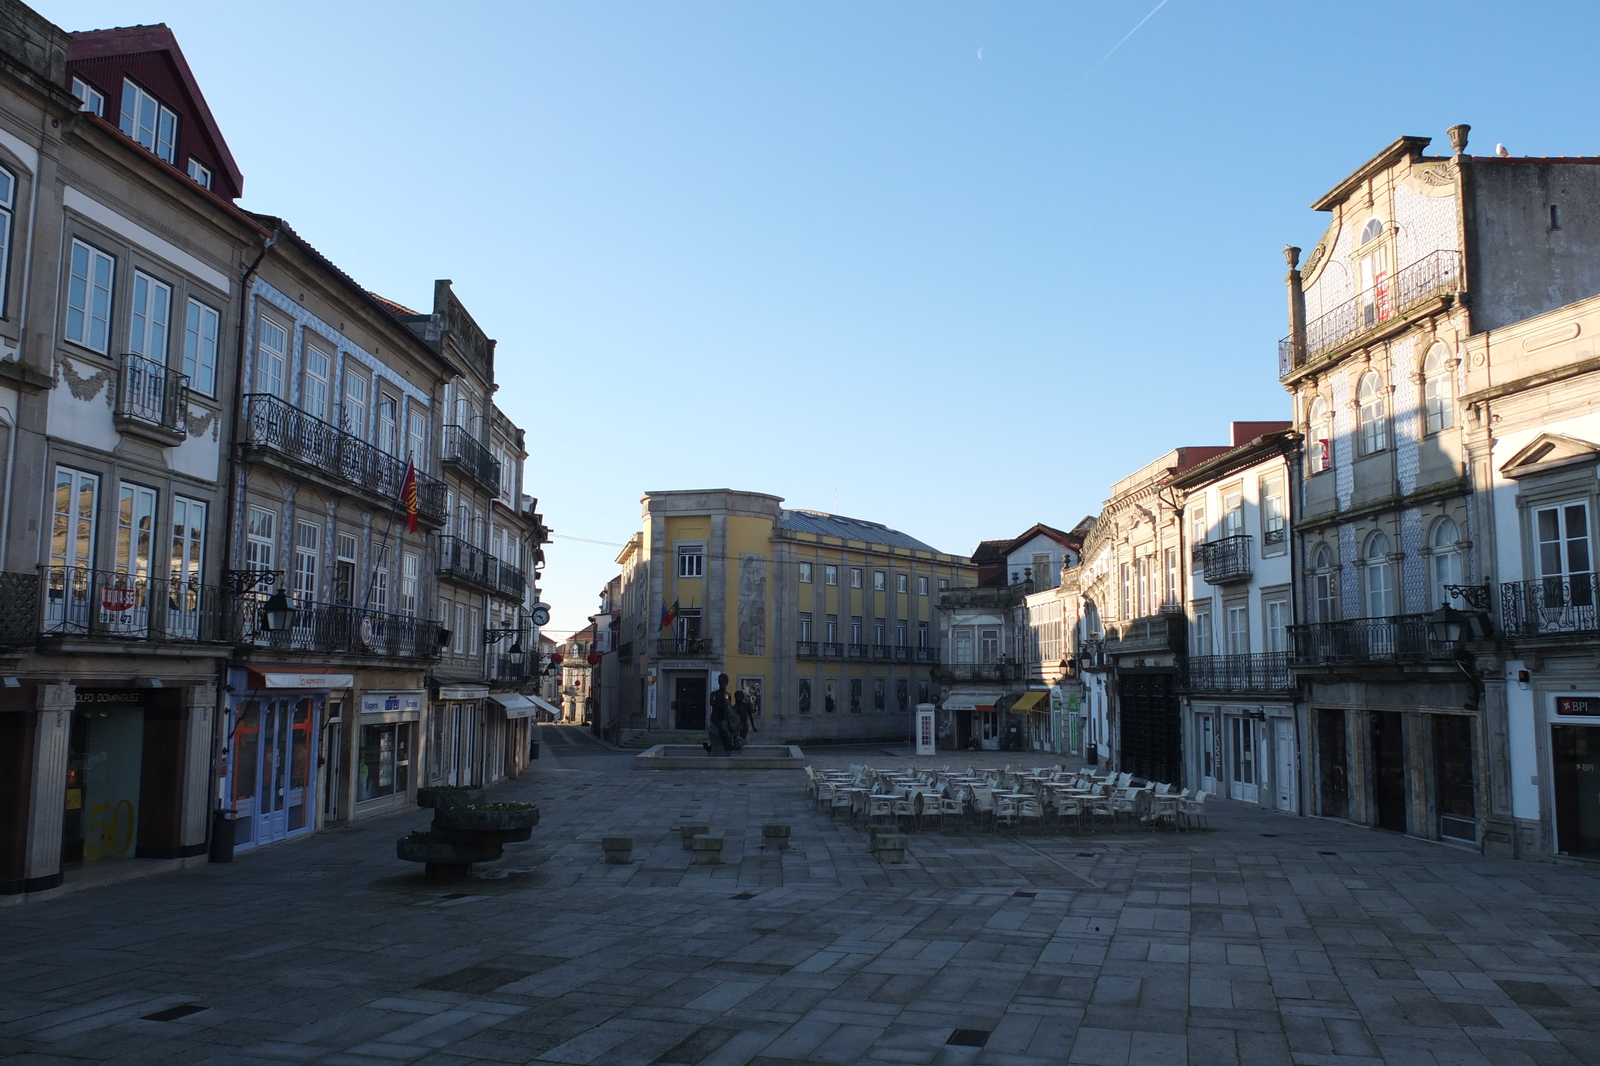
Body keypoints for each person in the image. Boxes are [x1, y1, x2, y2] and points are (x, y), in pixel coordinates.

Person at [708, 674, 737, 756]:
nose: (723, 682)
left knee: (729, 730)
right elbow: (711, 703)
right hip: (715, 717)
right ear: (718, 681)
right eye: (721, 680)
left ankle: (729, 745)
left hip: (724, 717)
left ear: (727, 682)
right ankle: (726, 746)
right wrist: (721, 705)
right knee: (722, 730)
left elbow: (729, 708)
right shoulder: (714, 694)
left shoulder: (728, 695)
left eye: (724, 680)